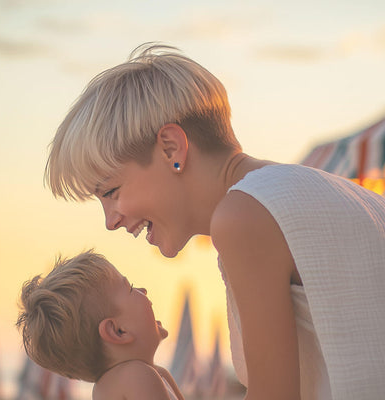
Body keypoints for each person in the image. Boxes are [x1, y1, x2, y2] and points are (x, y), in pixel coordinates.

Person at [44, 43, 385, 400]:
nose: (110, 222)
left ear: (172, 148)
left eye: (111, 191)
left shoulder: (245, 216)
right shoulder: (324, 192)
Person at [16, 250, 184, 400]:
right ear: (119, 331)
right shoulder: (137, 376)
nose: (144, 290)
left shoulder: (143, 377)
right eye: (131, 288)